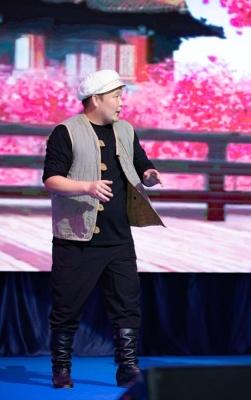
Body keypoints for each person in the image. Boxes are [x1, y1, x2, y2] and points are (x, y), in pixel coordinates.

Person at [42, 69, 165, 389]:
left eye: (121, 96)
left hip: (118, 238)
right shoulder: (66, 131)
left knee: (127, 305)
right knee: (66, 306)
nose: (121, 102)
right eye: (116, 96)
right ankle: (61, 368)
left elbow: (140, 162)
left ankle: (128, 367)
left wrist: (149, 174)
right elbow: (51, 180)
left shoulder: (125, 129)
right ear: (96, 99)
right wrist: (87, 186)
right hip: (76, 238)